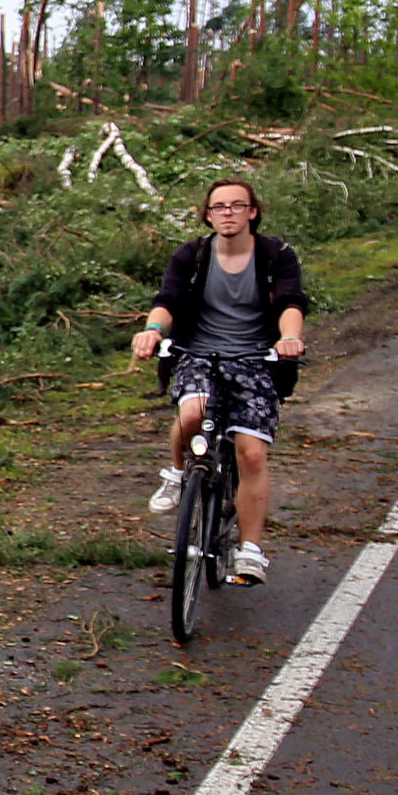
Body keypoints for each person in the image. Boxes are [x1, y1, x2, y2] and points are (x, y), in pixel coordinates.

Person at [131, 178, 306, 584]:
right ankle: (178, 474)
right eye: (219, 207)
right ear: (208, 215)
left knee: (251, 454)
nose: (228, 213)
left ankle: (250, 551)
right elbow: (168, 299)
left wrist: (290, 338)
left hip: (255, 359)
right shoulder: (191, 255)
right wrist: (153, 330)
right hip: (199, 353)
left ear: (253, 212)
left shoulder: (275, 254)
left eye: (237, 205)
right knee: (192, 414)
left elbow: (290, 301)